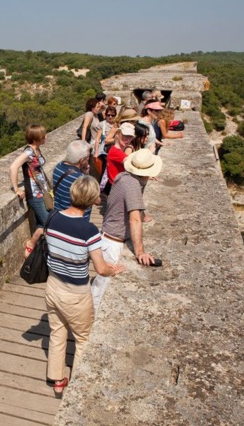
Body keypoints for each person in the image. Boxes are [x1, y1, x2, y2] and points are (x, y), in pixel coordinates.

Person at [26, 176, 125, 396]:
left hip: (53, 286)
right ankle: (79, 384)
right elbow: (100, 268)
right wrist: (113, 269)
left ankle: (56, 379)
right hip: (76, 294)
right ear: (91, 201)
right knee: (83, 338)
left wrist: (31, 244)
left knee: (57, 332)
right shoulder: (88, 230)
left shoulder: (52, 218)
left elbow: (39, 232)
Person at [92, 149, 163, 312]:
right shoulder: (133, 186)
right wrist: (140, 252)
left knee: (99, 285)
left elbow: (131, 207)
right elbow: (134, 219)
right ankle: (88, 324)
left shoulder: (123, 176)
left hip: (107, 236)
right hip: (113, 242)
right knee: (101, 289)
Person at [9, 125, 51, 229]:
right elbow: (13, 167)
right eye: (43, 135)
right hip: (35, 194)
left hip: (42, 191)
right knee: (47, 223)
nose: (46, 137)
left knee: (45, 222)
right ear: (36, 138)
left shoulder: (37, 149)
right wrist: (16, 189)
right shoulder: (28, 152)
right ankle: (32, 243)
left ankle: (35, 243)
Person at [52, 140, 92, 219]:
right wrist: (86, 176)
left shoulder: (58, 167)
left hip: (59, 214)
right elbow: (96, 200)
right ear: (82, 160)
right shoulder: (80, 179)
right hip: (77, 219)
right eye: (87, 158)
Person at [102, 123, 136, 196]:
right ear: (117, 134)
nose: (128, 140)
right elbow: (131, 163)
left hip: (115, 185)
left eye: (131, 137)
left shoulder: (116, 150)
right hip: (116, 188)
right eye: (125, 136)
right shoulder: (116, 152)